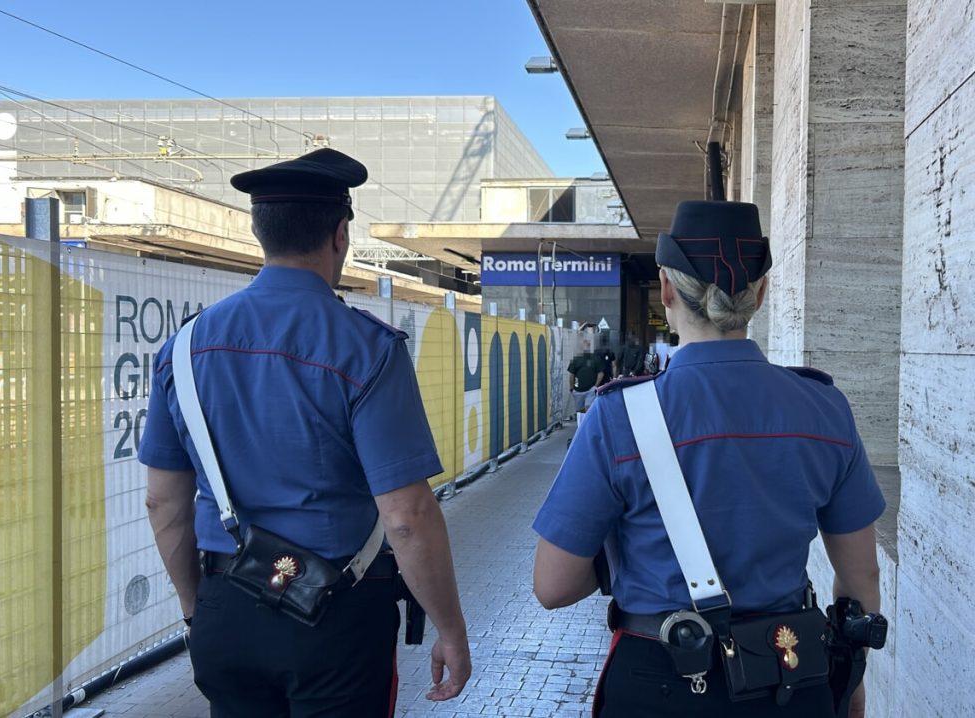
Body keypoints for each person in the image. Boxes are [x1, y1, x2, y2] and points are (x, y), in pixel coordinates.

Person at [139, 148, 471, 717]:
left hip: (224, 607)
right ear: (340, 234)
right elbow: (407, 517)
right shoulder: (367, 349)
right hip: (336, 617)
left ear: (257, 230)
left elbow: (162, 503)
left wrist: (200, 612)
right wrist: (450, 630)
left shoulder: (185, 349)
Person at [532, 200, 883, 718]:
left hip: (659, 683)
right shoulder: (824, 408)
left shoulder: (619, 416)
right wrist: (849, 684)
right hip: (790, 673)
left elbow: (553, 586)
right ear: (760, 293)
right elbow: (862, 580)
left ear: (667, 290)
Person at [567, 338, 605, 412]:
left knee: (589, 409)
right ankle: (581, 423)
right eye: (584, 346)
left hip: (590, 390)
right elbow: (572, 374)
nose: (586, 348)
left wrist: (595, 386)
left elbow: (601, 373)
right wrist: (572, 387)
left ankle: (588, 423)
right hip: (578, 390)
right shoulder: (576, 359)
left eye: (587, 346)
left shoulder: (595, 358)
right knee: (579, 411)